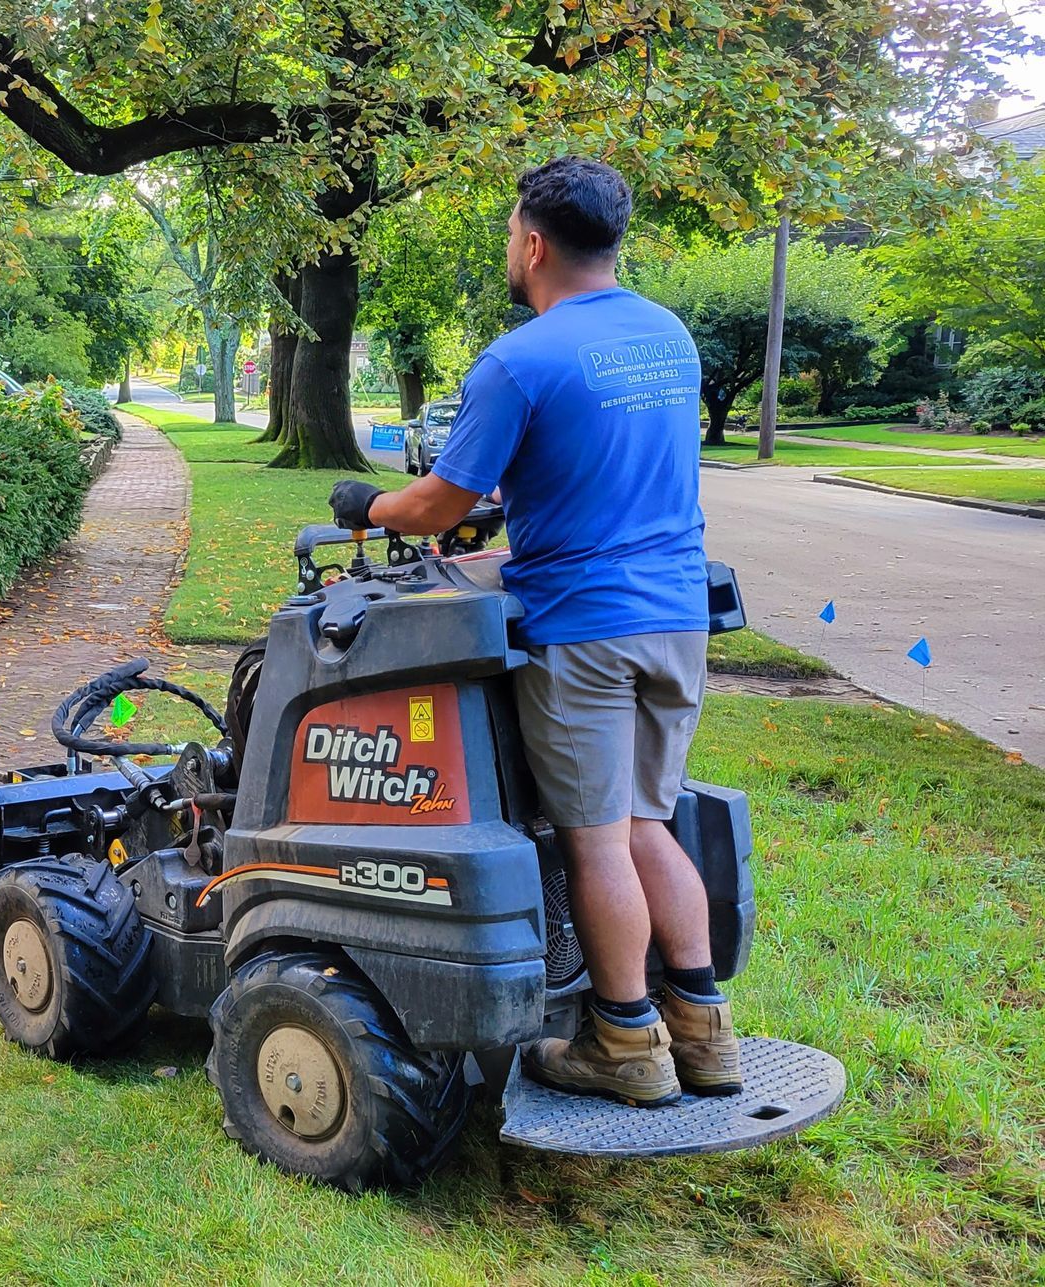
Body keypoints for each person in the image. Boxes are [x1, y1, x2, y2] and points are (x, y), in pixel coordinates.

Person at [328, 156, 739, 1109]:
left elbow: (439, 504)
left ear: (537, 243)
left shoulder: (521, 359)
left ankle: (624, 1042)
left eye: (513, 233)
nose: (511, 248)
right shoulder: (667, 336)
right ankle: (704, 1031)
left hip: (585, 627)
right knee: (646, 823)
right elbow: (594, 470)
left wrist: (366, 504)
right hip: (676, 614)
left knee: (594, 840)